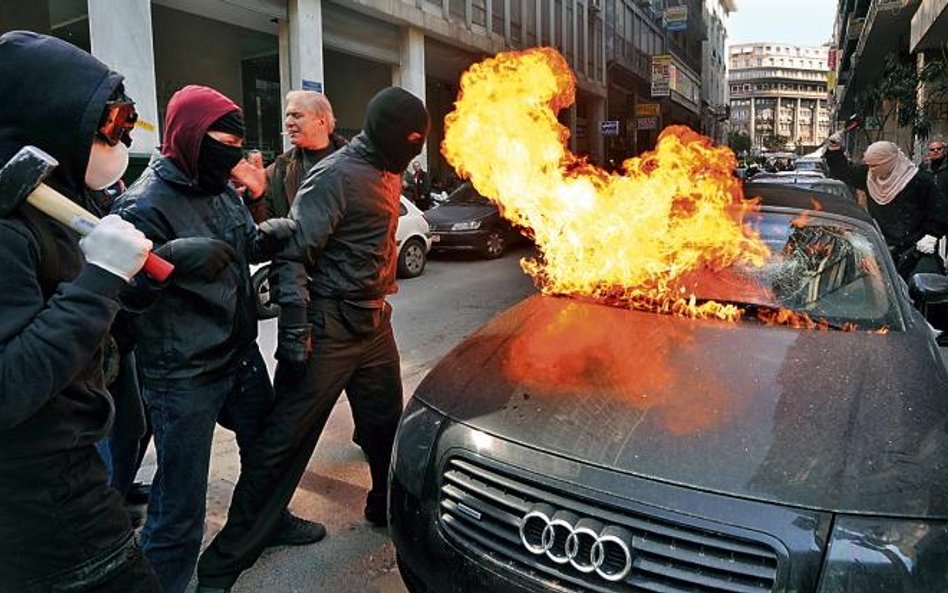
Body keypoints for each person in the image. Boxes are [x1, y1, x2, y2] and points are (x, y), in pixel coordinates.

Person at [195, 86, 430, 593]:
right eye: (408, 144)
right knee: (282, 444)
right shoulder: (335, 175)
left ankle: (382, 505)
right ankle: (221, 567)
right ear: (389, 136)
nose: (411, 155)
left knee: (385, 425)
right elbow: (291, 254)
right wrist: (296, 330)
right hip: (327, 328)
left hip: (373, 323)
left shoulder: (387, 168)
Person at [111, 84, 324, 593]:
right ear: (188, 137)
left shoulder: (220, 187)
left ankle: (270, 520)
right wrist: (170, 260)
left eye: (236, 141)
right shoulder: (141, 206)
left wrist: (273, 230)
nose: (231, 151)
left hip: (237, 354)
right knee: (179, 505)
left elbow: (242, 242)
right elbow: (122, 294)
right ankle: (161, 578)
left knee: (265, 451)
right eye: (221, 141)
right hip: (182, 372)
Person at [0, 31, 160, 592]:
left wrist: (128, 286)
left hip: (77, 456)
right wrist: (100, 280)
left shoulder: (58, 198)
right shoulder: (5, 230)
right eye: (108, 123)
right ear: (49, 118)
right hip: (41, 503)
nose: (118, 140)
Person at [825, 134, 948, 279]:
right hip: (882, 247)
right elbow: (844, 172)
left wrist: (932, 235)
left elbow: (939, 209)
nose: (871, 170)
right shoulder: (868, 176)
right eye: (869, 165)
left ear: (888, 162)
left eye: (875, 165)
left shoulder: (918, 181)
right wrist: (835, 150)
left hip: (915, 248)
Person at [247, 90, 347, 223]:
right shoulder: (277, 171)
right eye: (287, 116)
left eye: (296, 115)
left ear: (321, 121)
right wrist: (255, 197)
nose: (288, 122)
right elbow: (264, 227)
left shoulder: (356, 164)